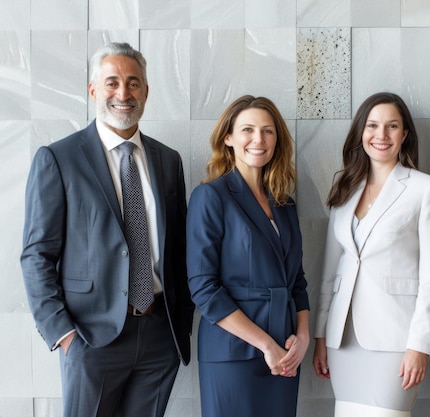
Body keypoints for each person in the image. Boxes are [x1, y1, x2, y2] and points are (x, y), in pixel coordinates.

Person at [20, 42, 194, 417]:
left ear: (146, 92)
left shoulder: (167, 160)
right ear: (93, 90)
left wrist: (180, 323)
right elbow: (37, 255)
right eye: (112, 82)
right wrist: (64, 336)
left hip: (159, 335)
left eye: (133, 83)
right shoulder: (58, 159)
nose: (123, 93)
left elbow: (179, 248)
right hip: (90, 337)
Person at [313, 92, 430, 417]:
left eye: (392, 126)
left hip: (396, 340)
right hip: (342, 340)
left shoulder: (426, 189)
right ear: (361, 132)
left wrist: (420, 346)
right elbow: (330, 273)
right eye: (373, 125)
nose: (381, 135)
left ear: (405, 135)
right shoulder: (345, 191)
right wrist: (321, 334)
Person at [186, 95, 310, 417]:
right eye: (248, 130)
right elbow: (203, 289)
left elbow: (296, 279)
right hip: (233, 353)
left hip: (284, 353)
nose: (259, 139)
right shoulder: (210, 196)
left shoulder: (285, 203)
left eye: (268, 131)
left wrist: (304, 336)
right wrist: (266, 345)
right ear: (228, 138)